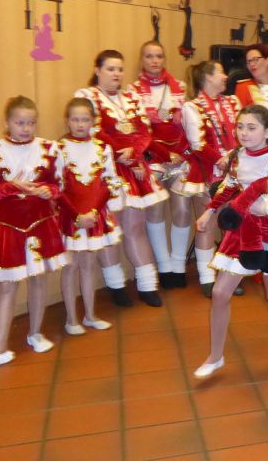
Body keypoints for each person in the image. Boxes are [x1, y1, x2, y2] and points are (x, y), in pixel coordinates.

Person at [192, 105, 268, 379]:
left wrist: (267, 207)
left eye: (251, 127)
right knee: (220, 293)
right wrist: (209, 212)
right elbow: (229, 186)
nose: (243, 133)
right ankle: (216, 356)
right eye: (240, 126)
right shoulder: (237, 157)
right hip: (243, 230)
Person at [0, 96, 68, 374]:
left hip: (42, 224)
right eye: (20, 123)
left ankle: (35, 333)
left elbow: (60, 185)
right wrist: (12, 186)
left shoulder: (50, 148)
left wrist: (48, 191)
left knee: (38, 280)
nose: (26, 128)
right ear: (7, 122)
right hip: (9, 227)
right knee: (7, 286)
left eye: (31, 123)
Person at [76, 50, 166, 307]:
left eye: (119, 69)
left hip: (133, 168)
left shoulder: (131, 97)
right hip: (104, 170)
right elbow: (93, 131)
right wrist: (118, 152)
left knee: (135, 227)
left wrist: (134, 155)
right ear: (97, 70)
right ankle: (116, 286)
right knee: (110, 229)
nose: (116, 74)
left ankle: (147, 285)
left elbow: (144, 131)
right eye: (110, 69)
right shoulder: (87, 96)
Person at [127, 40, 191, 289]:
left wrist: (181, 153)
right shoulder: (133, 91)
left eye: (159, 56)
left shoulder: (180, 87)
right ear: (141, 60)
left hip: (179, 157)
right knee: (155, 210)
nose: (154, 61)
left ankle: (178, 265)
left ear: (164, 59)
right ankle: (164, 267)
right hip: (152, 157)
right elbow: (137, 132)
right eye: (149, 56)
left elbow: (187, 124)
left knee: (182, 210)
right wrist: (161, 153)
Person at [57, 98, 119, 335]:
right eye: (75, 120)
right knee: (70, 266)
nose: (80, 124)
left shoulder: (102, 148)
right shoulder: (58, 149)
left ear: (93, 121)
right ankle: (71, 319)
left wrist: (94, 211)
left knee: (88, 265)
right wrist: (76, 215)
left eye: (85, 120)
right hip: (70, 217)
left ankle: (90, 315)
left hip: (94, 215)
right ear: (67, 121)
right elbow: (56, 188)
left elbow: (110, 182)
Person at [182, 60, 242, 296]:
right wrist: (222, 159)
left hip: (235, 172)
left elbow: (243, 131)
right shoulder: (192, 107)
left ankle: (229, 275)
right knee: (206, 225)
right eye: (221, 72)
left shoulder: (233, 102)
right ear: (207, 77)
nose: (226, 76)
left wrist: (237, 157)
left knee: (231, 224)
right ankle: (207, 278)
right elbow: (197, 143)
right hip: (208, 173)